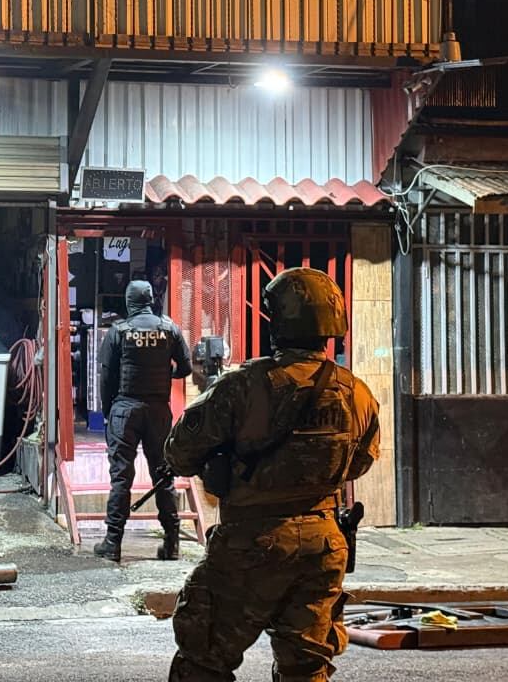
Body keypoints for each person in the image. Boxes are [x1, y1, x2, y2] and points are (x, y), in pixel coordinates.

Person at [163, 267, 380, 682]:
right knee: (307, 667)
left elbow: (180, 453)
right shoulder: (356, 391)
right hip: (323, 544)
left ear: (277, 320)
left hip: (252, 543)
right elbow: (360, 462)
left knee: (204, 659)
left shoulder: (242, 386)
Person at [94, 279, 192, 563]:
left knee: (121, 478)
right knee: (164, 476)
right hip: (158, 411)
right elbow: (185, 367)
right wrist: (165, 374)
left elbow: (106, 377)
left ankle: (113, 544)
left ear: (129, 301)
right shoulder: (169, 329)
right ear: (150, 299)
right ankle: (172, 544)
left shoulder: (119, 331)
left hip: (125, 409)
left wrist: (109, 411)